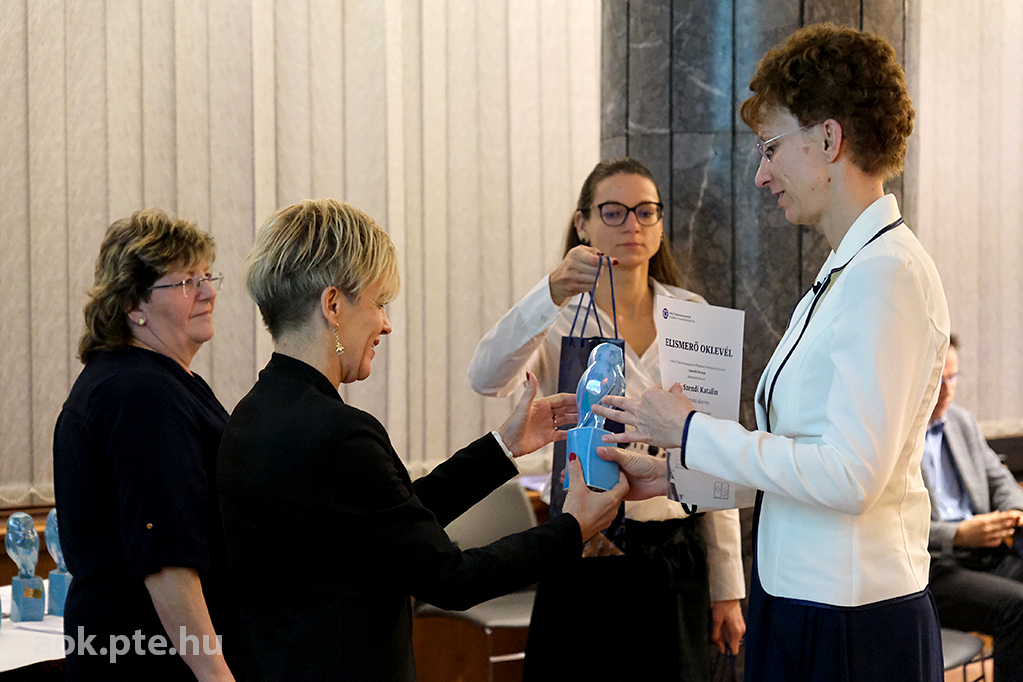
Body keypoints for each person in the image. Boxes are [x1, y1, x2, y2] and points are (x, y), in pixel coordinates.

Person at [592, 23, 949, 681]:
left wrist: (692, 432)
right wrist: (677, 475)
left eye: (771, 147)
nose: (761, 175)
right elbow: (802, 455)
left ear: (829, 140)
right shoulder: (847, 269)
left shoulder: (886, 274)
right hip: (804, 601)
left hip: (850, 618)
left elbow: (849, 478)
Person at [216, 198, 628, 681]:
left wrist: (503, 446)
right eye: (378, 303)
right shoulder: (337, 433)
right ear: (333, 305)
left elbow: (394, 519)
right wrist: (572, 529)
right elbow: (450, 577)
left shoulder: (250, 416)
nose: (386, 323)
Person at [469, 157, 745, 680]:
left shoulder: (693, 313)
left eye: (645, 212)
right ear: (583, 224)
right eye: (613, 212)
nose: (631, 225)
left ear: (660, 226)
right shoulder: (557, 316)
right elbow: (486, 378)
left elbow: (714, 450)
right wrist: (549, 292)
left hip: (675, 552)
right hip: (584, 543)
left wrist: (728, 587)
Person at [53, 209, 235, 681]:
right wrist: (216, 675)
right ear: (134, 302)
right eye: (187, 281)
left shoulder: (154, 382)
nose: (208, 292)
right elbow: (166, 559)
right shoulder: (140, 394)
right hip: (147, 662)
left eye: (207, 276)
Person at [922, 335, 1023, 681]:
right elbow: (896, 526)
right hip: (936, 568)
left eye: (953, 378)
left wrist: (1015, 511)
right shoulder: (897, 437)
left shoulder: (961, 421)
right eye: (938, 380)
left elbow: (1000, 479)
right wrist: (958, 535)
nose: (947, 390)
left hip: (983, 554)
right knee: (1018, 607)